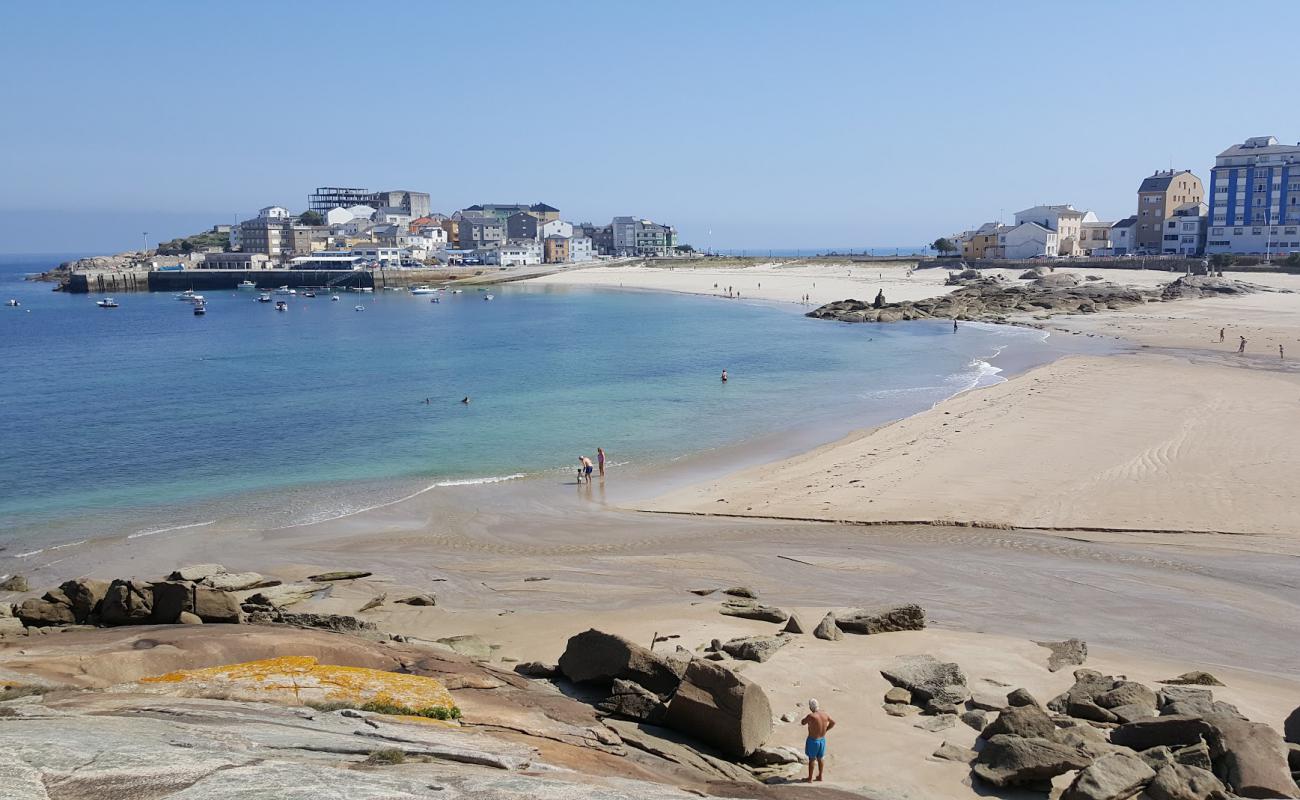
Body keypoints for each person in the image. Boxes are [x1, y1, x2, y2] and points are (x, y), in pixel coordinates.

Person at [801, 698, 835, 782]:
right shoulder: (824, 714)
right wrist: (826, 729)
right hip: (822, 740)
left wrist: (806, 721)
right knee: (820, 758)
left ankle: (810, 778)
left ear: (810, 707)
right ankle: (820, 776)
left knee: (811, 759)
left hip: (813, 740)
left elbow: (803, 722)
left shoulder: (811, 716)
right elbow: (833, 722)